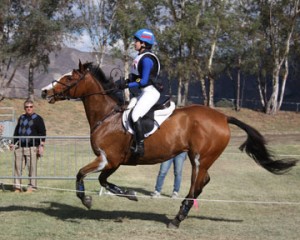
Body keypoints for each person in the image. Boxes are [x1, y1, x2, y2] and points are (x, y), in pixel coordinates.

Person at [117, 28, 161, 157]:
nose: (134, 43)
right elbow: (137, 77)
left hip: (151, 92)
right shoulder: (139, 57)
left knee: (135, 115)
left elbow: (143, 81)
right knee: (127, 109)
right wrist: (125, 81)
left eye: (136, 41)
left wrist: (126, 85)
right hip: (144, 92)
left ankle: (140, 146)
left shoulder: (147, 59)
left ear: (143, 43)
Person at [10, 100, 46, 193]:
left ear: (33, 107)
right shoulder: (21, 118)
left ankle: (32, 187)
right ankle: (17, 187)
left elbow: (43, 132)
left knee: (32, 168)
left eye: (30, 106)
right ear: (24, 108)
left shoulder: (38, 118)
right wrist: (13, 143)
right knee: (17, 167)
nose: (29, 108)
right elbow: (17, 132)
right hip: (20, 147)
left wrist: (41, 146)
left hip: (32, 147)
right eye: (27, 107)